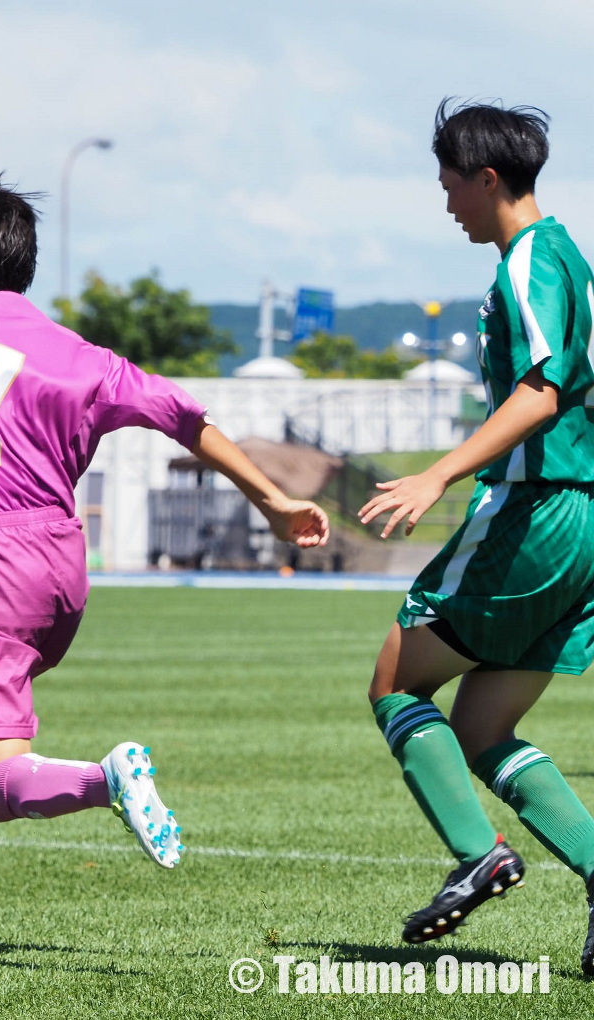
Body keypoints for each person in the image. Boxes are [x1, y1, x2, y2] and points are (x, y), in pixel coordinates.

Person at [0, 175, 329, 937]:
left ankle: (107, 779)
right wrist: (274, 501)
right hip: (59, 569)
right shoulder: (79, 355)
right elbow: (184, 418)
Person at [359, 100, 594, 970]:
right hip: (586, 523)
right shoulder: (573, 257)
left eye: (450, 183)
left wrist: (438, 473)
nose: (446, 200)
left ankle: (479, 855)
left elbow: (542, 390)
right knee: (484, 729)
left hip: (538, 512)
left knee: (393, 679)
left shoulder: (530, 259)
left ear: (487, 179)